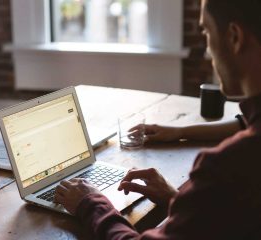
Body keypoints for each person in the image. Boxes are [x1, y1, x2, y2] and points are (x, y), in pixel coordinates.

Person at [54, 0, 261, 239]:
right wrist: (180, 200)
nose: (207, 52)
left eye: (206, 31)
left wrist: (90, 203)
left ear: (235, 37)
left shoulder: (227, 166)